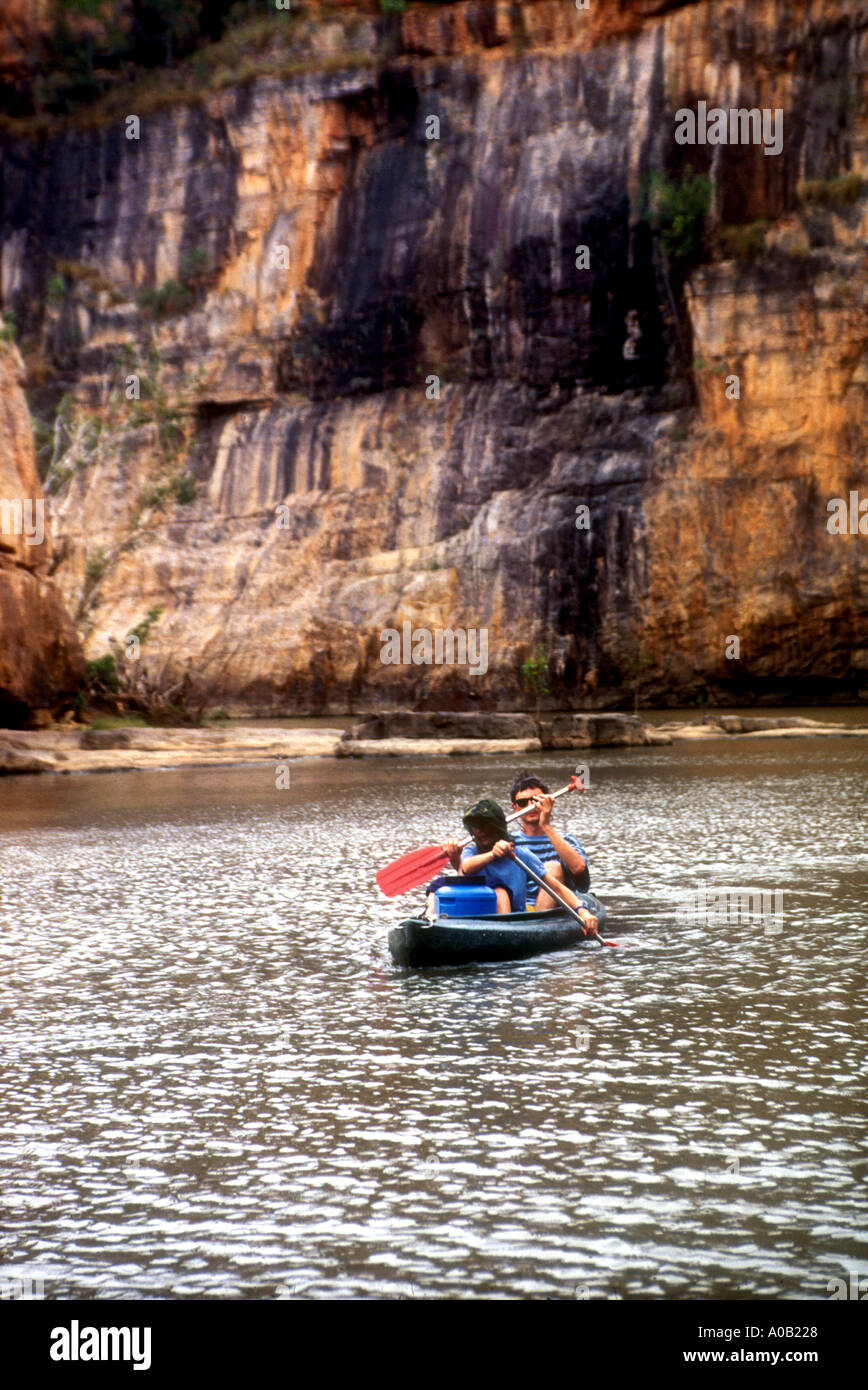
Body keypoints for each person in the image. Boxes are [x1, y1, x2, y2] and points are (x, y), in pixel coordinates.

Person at [436, 798, 598, 934]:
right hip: (476, 915)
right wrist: (490, 854)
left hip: (512, 920)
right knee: (436, 888)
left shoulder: (520, 854)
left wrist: (582, 911)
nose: (480, 831)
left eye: (485, 825)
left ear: (498, 826)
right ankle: (428, 920)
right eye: (475, 826)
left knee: (500, 893)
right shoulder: (471, 851)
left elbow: (556, 887)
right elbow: (466, 868)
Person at [508, 770, 590, 909]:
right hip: (519, 911)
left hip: (553, 912)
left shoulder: (567, 840)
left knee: (552, 868)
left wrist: (546, 826)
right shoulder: (508, 842)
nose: (530, 806)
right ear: (515, 808)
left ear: (547, 802)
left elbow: (579, 871)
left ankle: (536, 921)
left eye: (536, 800)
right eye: (523, 802)